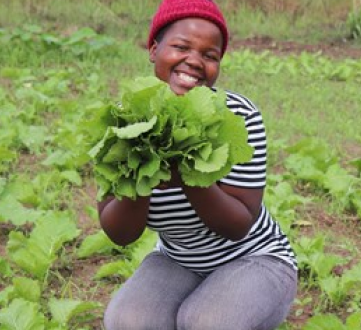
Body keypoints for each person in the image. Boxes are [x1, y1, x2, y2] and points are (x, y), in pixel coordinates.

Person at [98, 0, 298, 329]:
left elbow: (237, 226)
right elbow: (119, 233)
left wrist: (186, 174)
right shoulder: (125, 120)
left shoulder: (238, 115)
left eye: (210, 55)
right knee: (127, 321)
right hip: (179, 260)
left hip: (255, 258)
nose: (194, 61)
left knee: (205, 322)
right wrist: (142, 174)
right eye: (181, 47)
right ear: (153, 49)